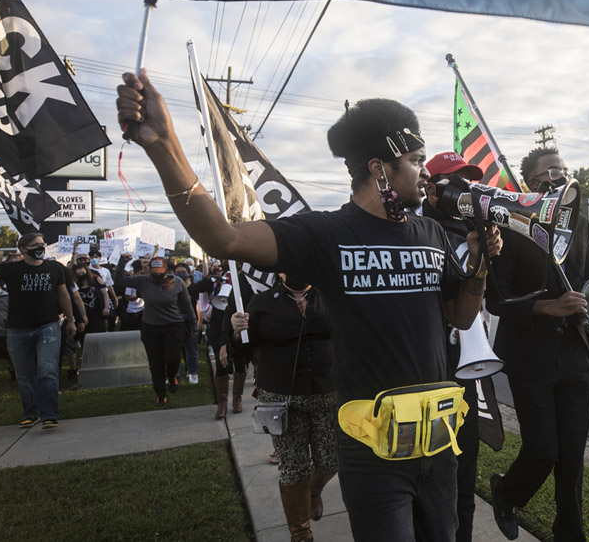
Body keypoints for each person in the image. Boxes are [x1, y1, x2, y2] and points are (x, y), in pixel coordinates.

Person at [116, 70, 500, 542]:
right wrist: (163, 144)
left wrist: (480, 262)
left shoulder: (433, 233)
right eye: (416, 161)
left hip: (437, 444)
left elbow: (460, 317)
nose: (425, 173)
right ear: (381, 168)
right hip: (373, 451)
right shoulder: (326, 234)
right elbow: (223, 236)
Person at [487, 147, 589, 542]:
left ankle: (569, 535)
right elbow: (496, 300)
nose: (559, 173)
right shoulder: (510, 223)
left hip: (574, 355)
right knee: (543, 452)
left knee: (572, 460)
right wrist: (547, 307)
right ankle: (505, 492)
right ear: (531, 183)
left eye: (563, 168)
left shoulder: (581, 224)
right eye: (550, 169)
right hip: (529, 357)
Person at [420, 150, 497, 542]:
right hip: (431, 368)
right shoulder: (417, 232)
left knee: (464, 471)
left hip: (465, 370)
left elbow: (491, 300)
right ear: (432, 191)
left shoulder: (476, 231)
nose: (465, 191)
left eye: (470, 183)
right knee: (430, 478)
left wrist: (486, 257)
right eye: (456, 184)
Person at [227, 275, 336, 542]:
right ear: (280, 272)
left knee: (331, 459)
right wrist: (236, 330)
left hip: (327, 393)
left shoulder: (331, 295)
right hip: (281, 397)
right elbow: (242, 351)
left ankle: (311, 490)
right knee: (292, 467)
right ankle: (300, 533)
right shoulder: (262, 303)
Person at [0, 230, 76, 429]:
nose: (41, 248)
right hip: (18, 330)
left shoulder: (55, 268)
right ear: (23, 249)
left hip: (48, 326)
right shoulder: (12, 269)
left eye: (42, 244)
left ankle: (49, 414)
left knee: (47, 370)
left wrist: (71, 320)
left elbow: (64, 296)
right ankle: (31, 413)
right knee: (24, 374)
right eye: (36, 245)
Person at [113, 255, 196, 407]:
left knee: (173, 357)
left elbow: (187, 304)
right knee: (155, 362)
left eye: (160, 272)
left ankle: (172, 377)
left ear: (165, 270)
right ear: (150, 271)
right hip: (151, 327)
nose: (157, 275)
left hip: (174, 325)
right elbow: (118, 280)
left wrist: (193, 324)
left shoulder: (177, 282)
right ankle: (161, 394)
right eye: (154, 272)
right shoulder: (143, 281)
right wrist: (122, 262)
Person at [189, 267, 249, 419]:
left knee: (240, 362)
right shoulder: (214, 283)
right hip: (217, 328)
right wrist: (208, 279)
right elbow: (193, 290)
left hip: (237, 328)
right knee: (221, 364)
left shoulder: (245, 280)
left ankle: (237, 399)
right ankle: (222, 403)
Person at [174, 263, 201, 385]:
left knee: (192, 350)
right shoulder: (171, 288)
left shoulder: (194, 288)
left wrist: (199, 321)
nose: (180, 273)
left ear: (189, 273)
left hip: (190, 324)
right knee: (175, 351)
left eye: (183, 271)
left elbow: (198, 305)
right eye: (178, 271)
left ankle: (192, 372)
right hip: (176, 323)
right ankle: (175, 374)